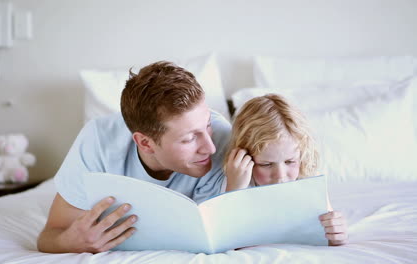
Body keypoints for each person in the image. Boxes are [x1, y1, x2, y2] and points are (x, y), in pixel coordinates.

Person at [37, 61, 232, 253]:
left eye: (207, 124)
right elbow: (49, 237)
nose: (210, 147)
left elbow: (217, 235)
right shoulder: (98, 142)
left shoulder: (223, 137)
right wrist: (69, 243)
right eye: (189, 139)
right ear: (145, 143)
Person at [224, 94, 348, 246]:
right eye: (266, 164)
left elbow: (329, 235)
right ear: (244, 157)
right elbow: (228, 240)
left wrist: (337, 234)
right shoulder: (238, 181)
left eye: (290, 161)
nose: (280, 177)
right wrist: (234, 190)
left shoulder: (309, 180)